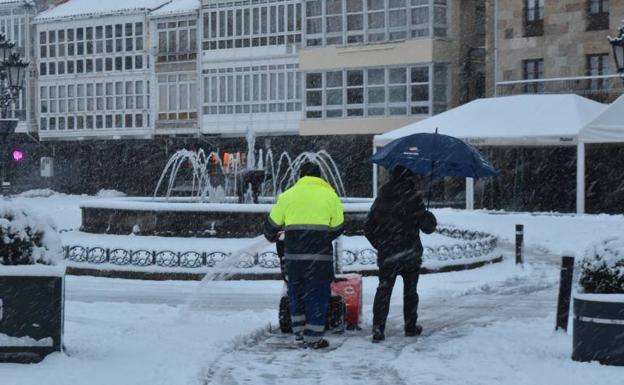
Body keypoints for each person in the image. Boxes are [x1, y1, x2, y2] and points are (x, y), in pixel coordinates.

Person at [264, 162, 344, 349]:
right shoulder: (330, 195)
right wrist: (323, 237)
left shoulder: (287, 195)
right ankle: (314, 338)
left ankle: (299, 335)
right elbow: (339, 226)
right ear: (319, 177)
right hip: (319, 259)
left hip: (294, 259)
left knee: (296, 294)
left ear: (300, 176)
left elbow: (271, 227)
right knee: (316, 296)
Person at [364, 166, 437, 343]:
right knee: (410, 292)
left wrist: (381, 245)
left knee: (383, 290)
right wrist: (428, 216)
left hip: (388, 255)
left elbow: (368, 228)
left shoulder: (381, 198)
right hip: (410, 254)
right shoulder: (414, 199)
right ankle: (410, 326)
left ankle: (378, 328)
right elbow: (428, 228)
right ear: (409, 179)